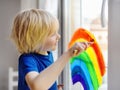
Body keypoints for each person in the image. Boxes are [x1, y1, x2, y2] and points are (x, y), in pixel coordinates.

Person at [10, 8, 93, 90]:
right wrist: (68, 54)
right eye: (53, 34)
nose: (58, 36)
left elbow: (45, 79)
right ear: (36, 38)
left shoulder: (48, 54)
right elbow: (37, 87)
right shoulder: (27, 59)